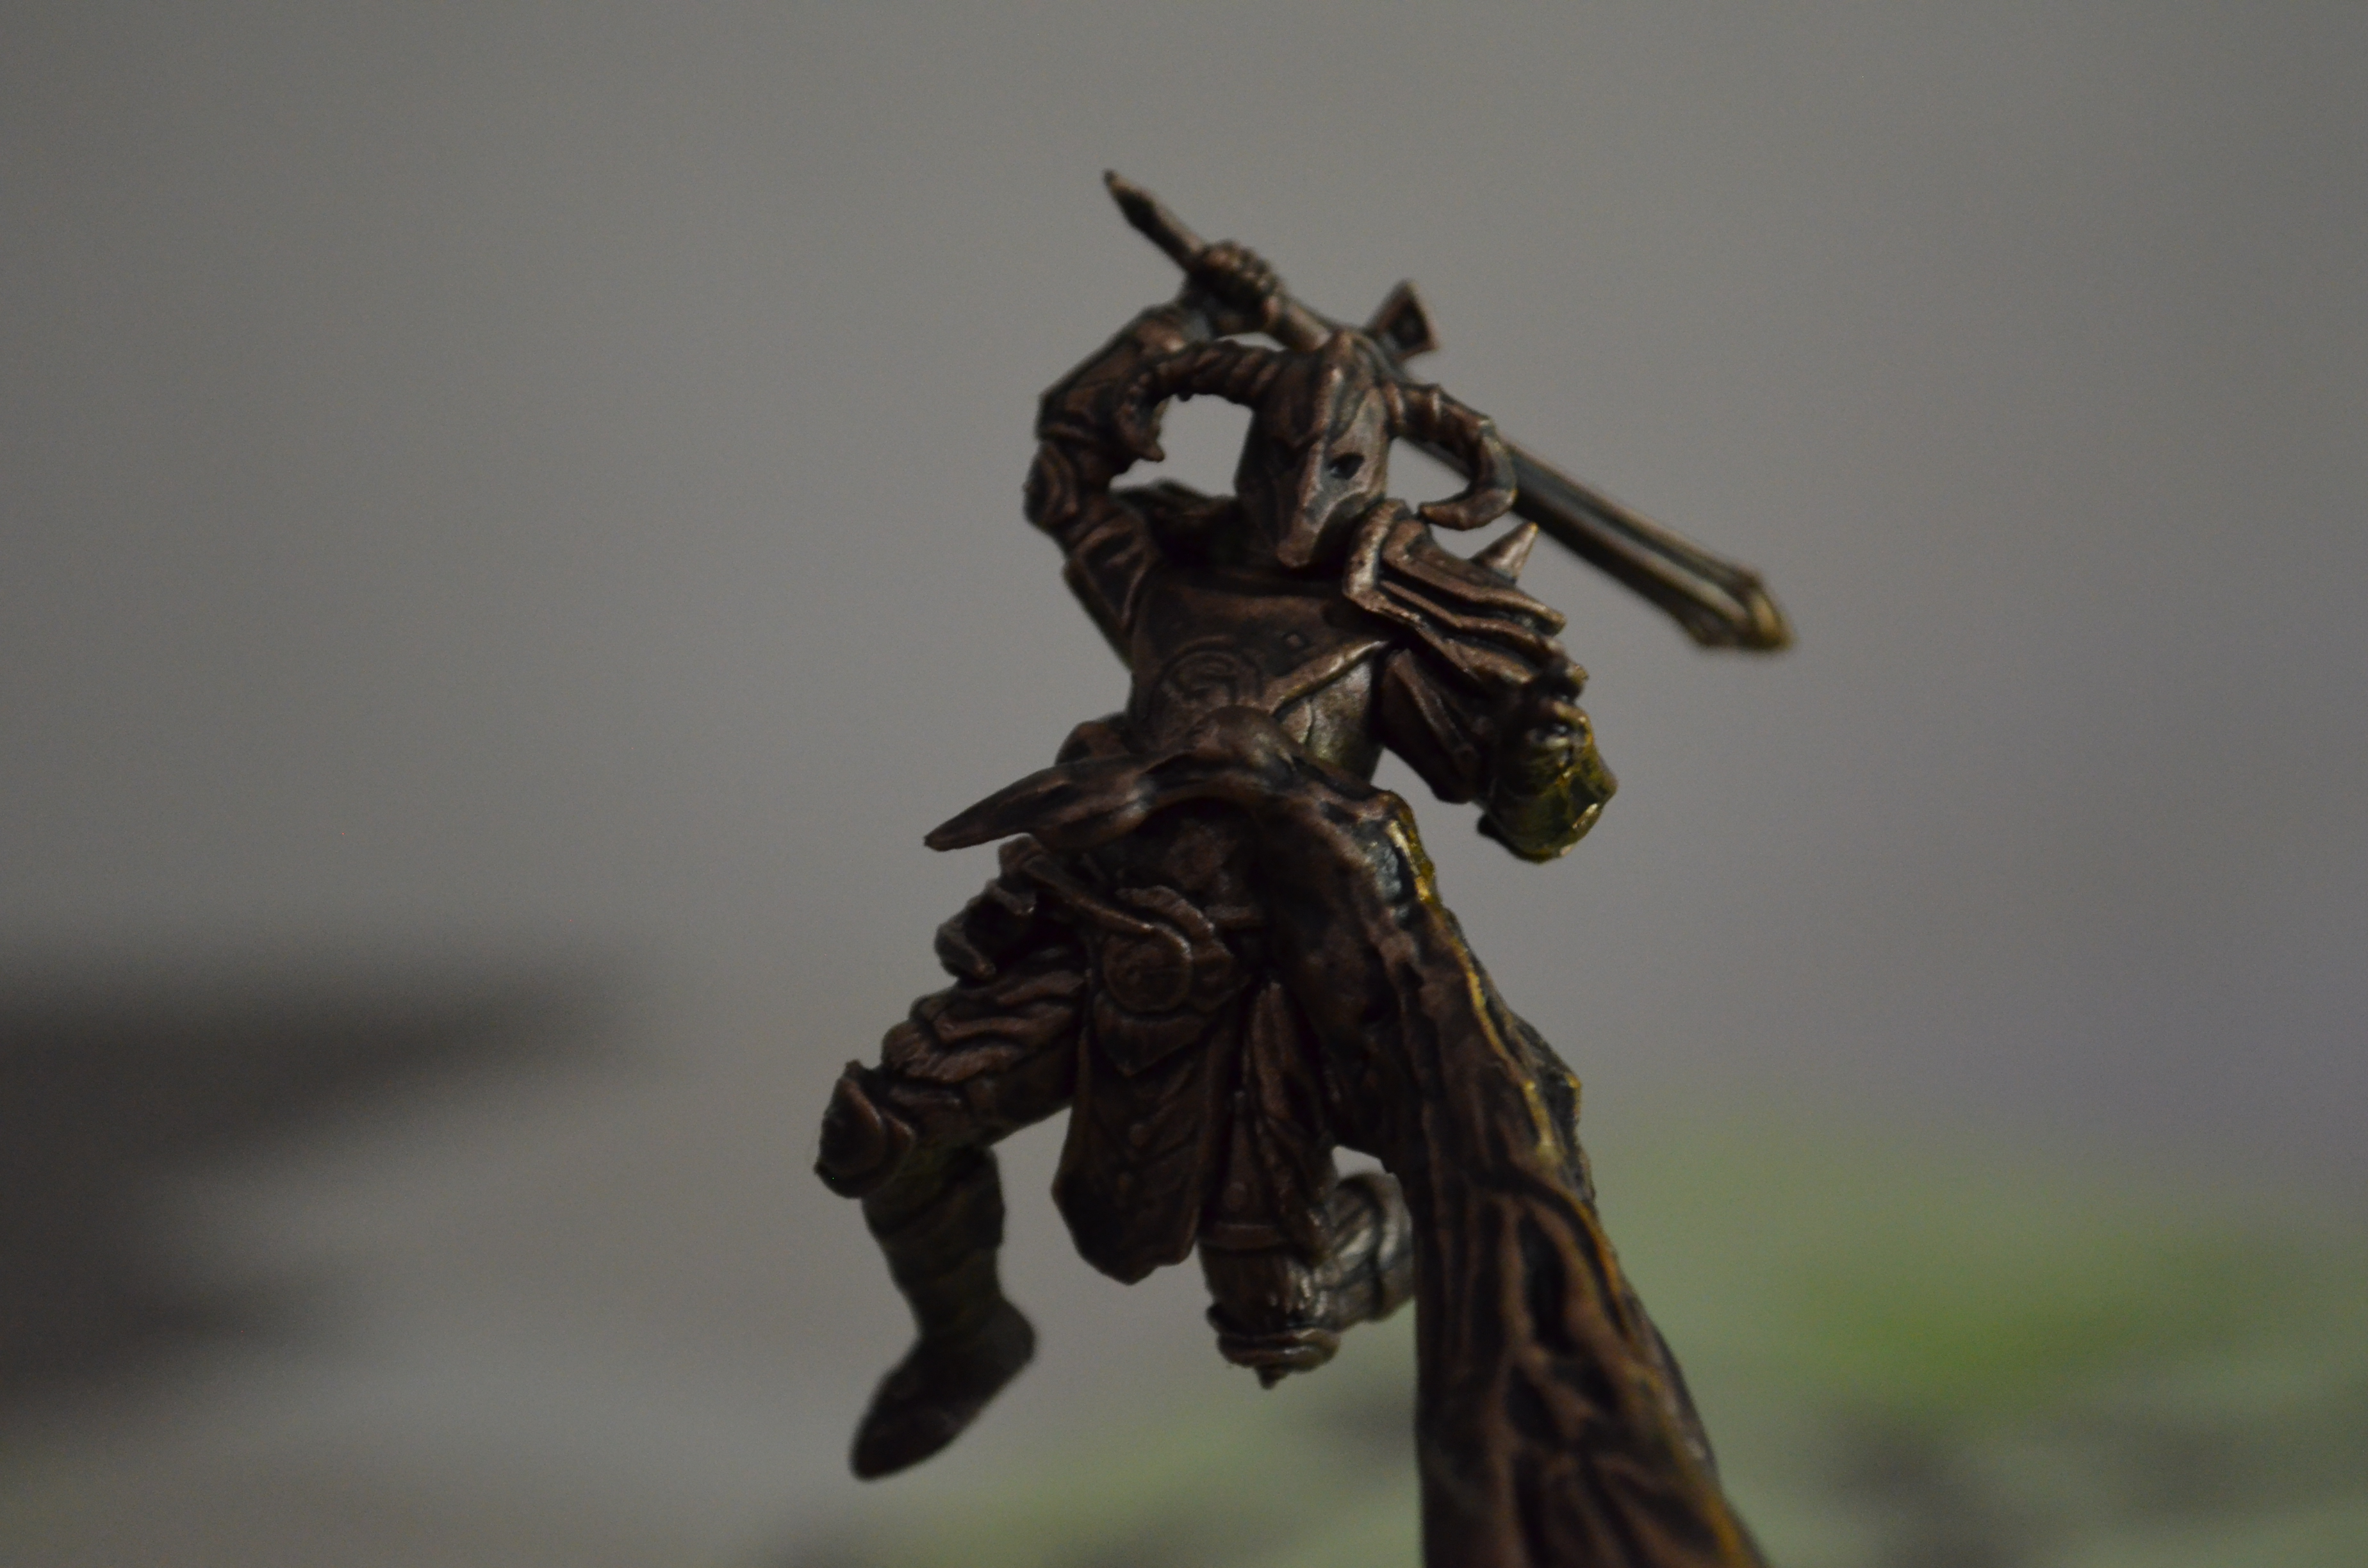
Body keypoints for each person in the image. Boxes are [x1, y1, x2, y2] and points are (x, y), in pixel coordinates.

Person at [816, 245, 1763, 1567]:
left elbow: (1534, 822)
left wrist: (1551, 751)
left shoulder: (1393, 628)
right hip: (1095, 929)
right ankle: (968, 1337)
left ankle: (1458, 1231)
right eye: (1278, 459)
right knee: (883, 1132)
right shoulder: (1169, 580)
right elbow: (1066, 471)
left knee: (1284, 1311)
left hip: (1286, 980)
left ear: (1375, 470)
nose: (1300, 492)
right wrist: (1176, 322)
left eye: (1335, 466)